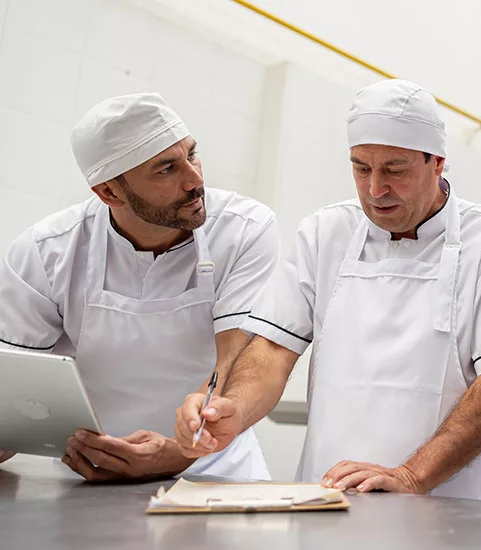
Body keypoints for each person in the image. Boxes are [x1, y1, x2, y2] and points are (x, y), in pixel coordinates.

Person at [174, 79, 481, 501]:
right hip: (328, 498)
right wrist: (233, 411)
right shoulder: (324, 232)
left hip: (445, 509)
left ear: (437, 163)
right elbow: (272, 350)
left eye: (395, 171)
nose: (375, 189)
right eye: (361, 168)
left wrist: (412, 475)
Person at [0, 93, 276, 481]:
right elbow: (14, 382)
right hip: (85, 475)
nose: (195, 180)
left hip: (215, 469)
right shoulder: (49, 250)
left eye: (192, 155)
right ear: (109, 192)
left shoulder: (244, 229)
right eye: (166, 169)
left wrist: (183, 451)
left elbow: (239, 356)